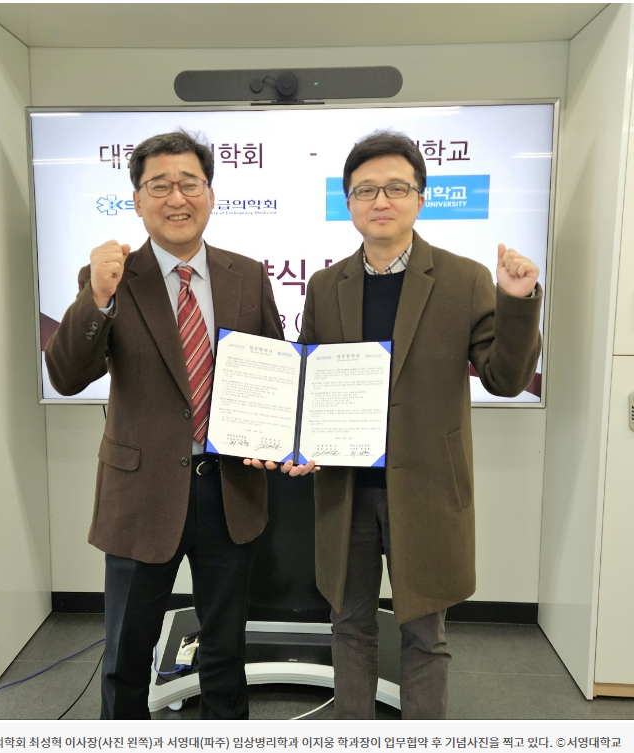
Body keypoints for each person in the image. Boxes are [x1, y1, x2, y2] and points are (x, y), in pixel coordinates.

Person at [294, 130, 542, 718]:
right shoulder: (326, 285)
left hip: (428, 486)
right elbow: (309, 381)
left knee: (426, 636)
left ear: (421, 197)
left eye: (396, 188)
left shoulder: (464, 278)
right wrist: (296, 440)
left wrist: (517, 301)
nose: (381, 201)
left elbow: (505, 379)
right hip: (346, 489)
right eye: (366, 190)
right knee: (349, 626)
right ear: (348, 203)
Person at [44, 130, 283, 720]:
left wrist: (285, 440)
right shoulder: (111, 277)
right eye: (159, 185)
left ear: (210, 194)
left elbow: (276, 371)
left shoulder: (247, 275)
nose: (176, 197)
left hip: (230, 488)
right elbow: (67, 375)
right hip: (141, 493)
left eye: (189, 183)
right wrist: (97, 299)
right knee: (127, 656)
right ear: (137, 199)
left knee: (225, 654)